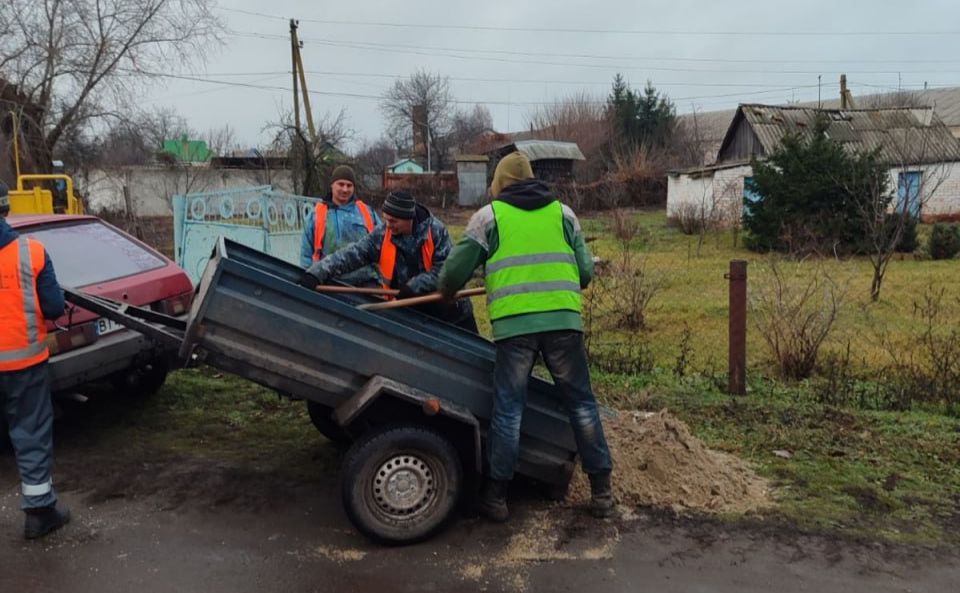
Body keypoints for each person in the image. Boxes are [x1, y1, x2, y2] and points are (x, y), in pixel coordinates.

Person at [438, 151, 614, 521]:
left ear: (500, 183)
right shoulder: (564, 214)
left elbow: (453, 275)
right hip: (563, 323)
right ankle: (602, 492)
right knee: (581, 404)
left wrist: (448, 291)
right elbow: (584, 273)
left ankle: (496, 497)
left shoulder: (490, 217)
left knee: (509, 409)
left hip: (515, 328)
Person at [299, 190, 477, 332]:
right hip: (411, 312)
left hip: (450, 311)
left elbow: (446, 270)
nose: (388, 225)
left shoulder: (436, 231)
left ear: (408, 219)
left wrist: (414, 286)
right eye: (386, 219)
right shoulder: (383, 234)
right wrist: (317, 273)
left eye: (394, 221)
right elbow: (352, 254)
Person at [0, 181, 71, 539]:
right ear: (6, 209)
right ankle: (39, 513)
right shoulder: (32, 253)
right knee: (30, 433)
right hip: (23, 366)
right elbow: (55, 307)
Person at [299, 165, 382, 286]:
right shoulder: (316, 215)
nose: (345, 189)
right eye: (341, 184)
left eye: (349, 185)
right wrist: (309, 276)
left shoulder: (367, 212)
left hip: (365, 283)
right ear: (332, 185)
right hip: (328, 282)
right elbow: (306, 254)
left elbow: (382, 242)